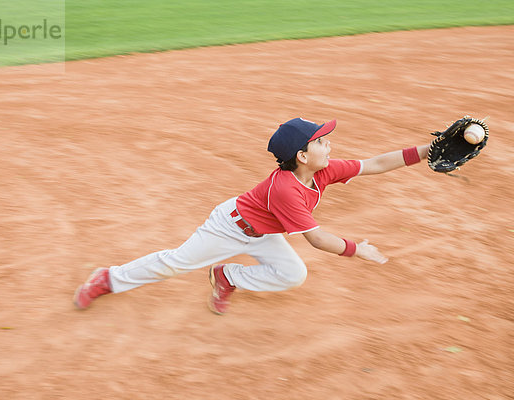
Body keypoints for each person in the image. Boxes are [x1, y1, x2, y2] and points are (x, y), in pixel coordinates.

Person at [74, 117, 430, 314]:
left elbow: (375, 163)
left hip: (265, 231)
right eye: (321, 141)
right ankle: (107, 278)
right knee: (176, 263)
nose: (329, 145)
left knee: (293, 274)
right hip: (229, 227)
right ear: (302, 156)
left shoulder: (323, 170)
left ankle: (228, 276)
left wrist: (427, 150)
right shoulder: (286, 189)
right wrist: (357, 249)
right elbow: (318, 239)